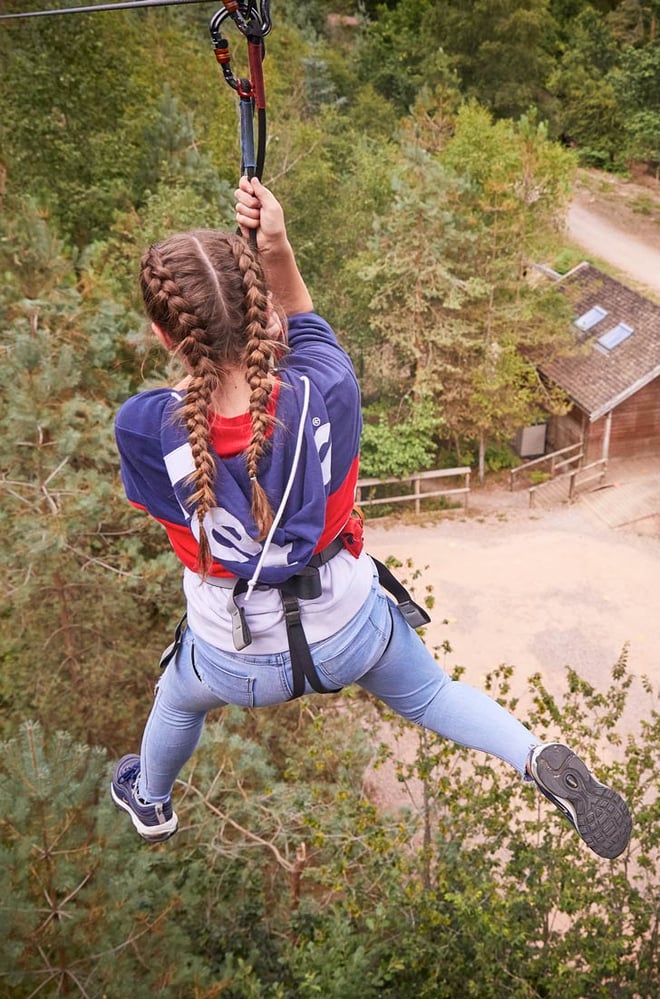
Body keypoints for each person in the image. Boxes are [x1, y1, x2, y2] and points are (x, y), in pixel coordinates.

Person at [111, 177, 632, 861]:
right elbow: (304, 323)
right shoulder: (325, 385)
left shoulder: (145, 427)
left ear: (162, 334)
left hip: (233, 656)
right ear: (258, 310)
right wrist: (276, 245)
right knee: (433, 695)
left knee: (177, 700)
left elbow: (177, 501)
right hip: (348, 627)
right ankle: (532, 755)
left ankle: (151, 799)